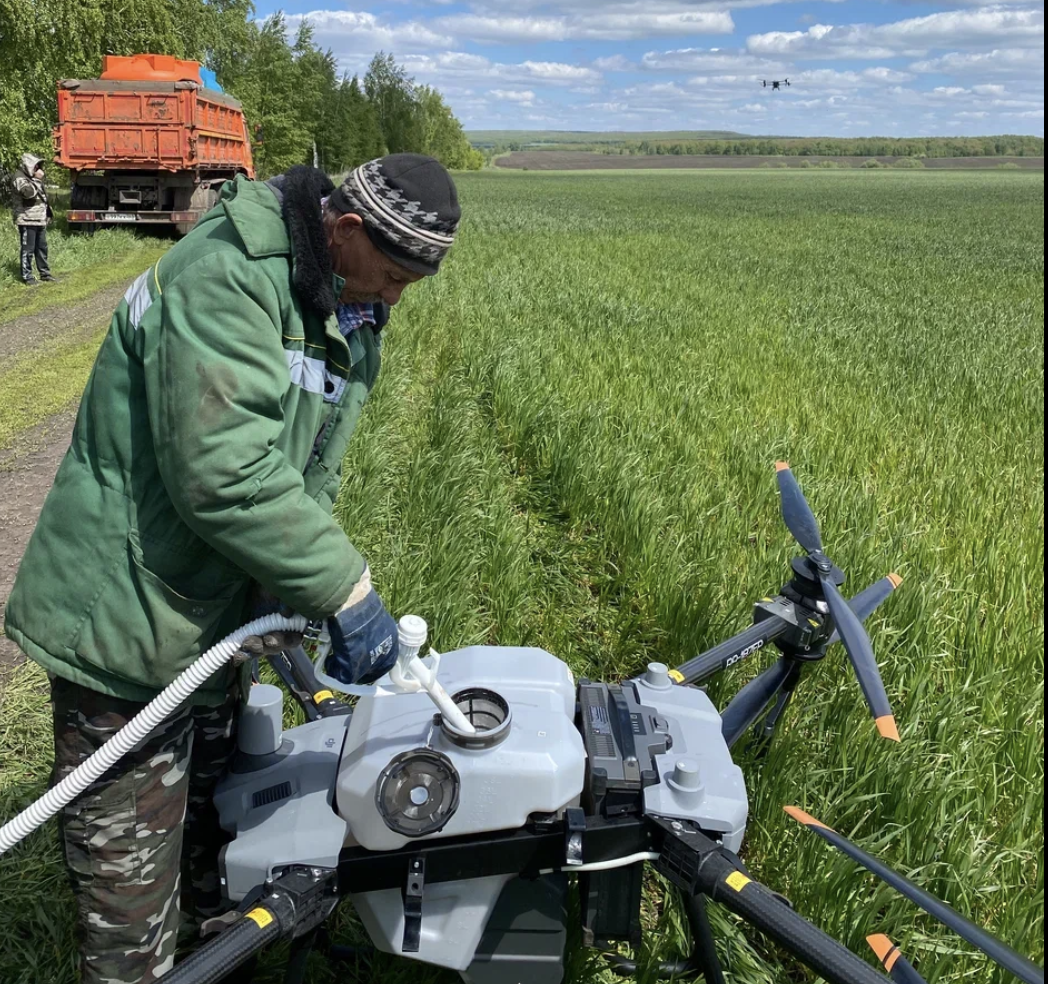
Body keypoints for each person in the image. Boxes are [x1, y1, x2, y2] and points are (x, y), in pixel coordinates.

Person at [4, 155, 460, 982]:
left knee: (219, 835)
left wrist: (296, 593)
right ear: (345, 229)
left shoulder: (339, 306)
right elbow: (225, 471)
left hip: (209, 615)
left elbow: (306, 467)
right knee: (130, 897)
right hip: (127, 617)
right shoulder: (228, 274)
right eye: (391, 276)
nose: (394, 299)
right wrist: (346, 591)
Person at [9, 152, 56, 285]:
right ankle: (27, 277)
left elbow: (43, 198)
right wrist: (37, 180)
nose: (38, 169)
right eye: (36, 166)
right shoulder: (19, 177)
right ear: (29, 166)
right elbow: (27, 193)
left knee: (42, 248)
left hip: (39, 219)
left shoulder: (32, 177)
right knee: (28, 250)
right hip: (26, 219)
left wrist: (48, 214)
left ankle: (45, 274)